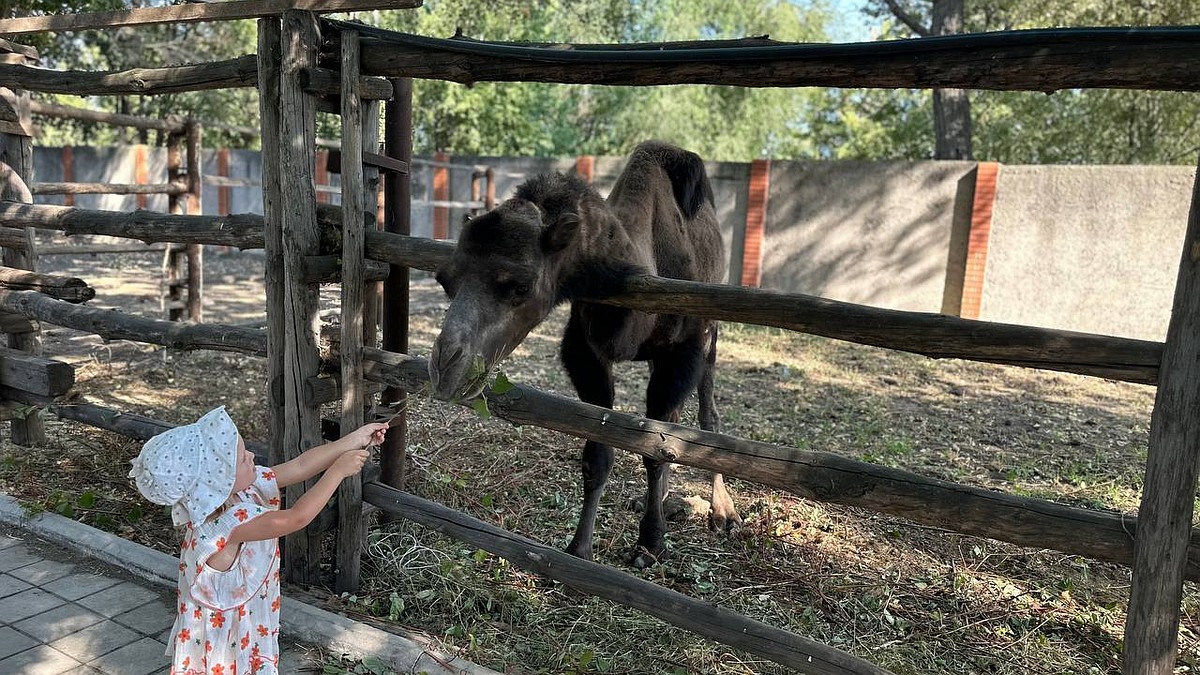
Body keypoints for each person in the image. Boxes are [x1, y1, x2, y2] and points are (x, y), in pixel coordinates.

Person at [128, 406, 387, 675]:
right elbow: (296, 518)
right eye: (241, 458)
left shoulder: (238, 492)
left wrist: (355, 439)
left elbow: (300, 466)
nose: (251, 455)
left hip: (243, 625)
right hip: (225, 644)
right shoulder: (228, 523)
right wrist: (337, 473)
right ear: (217, 481)